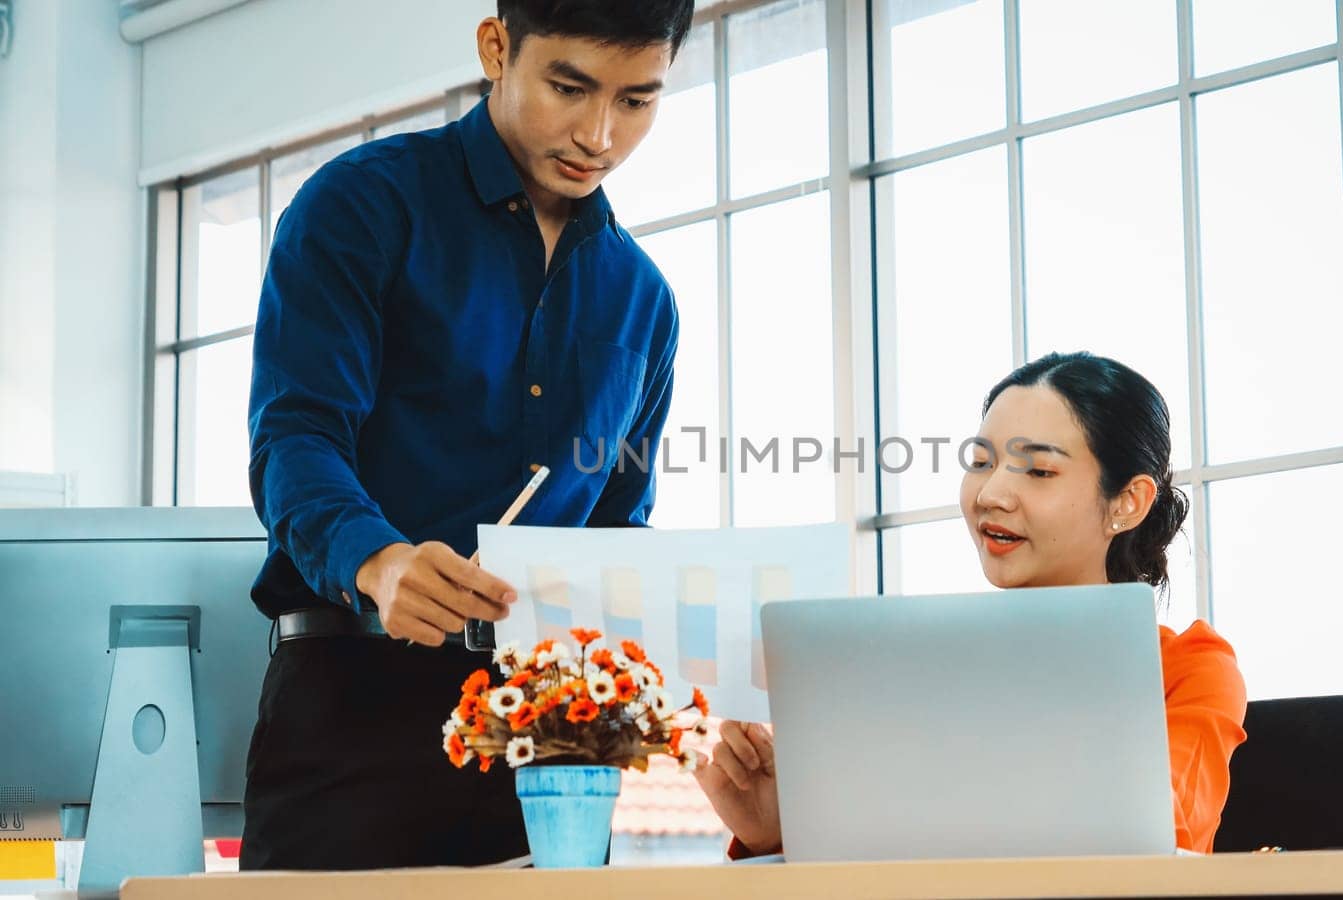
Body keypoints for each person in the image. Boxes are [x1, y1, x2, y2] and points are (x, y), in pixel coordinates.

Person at [242, 0, 693, 870]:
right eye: (570, 86)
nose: (599, 133)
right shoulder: (361, 206)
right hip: (351, 717)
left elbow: (618, 526)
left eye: (637, 101)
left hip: (551, 747)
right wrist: (380, 562)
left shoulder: (645, 302)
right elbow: (295, 437)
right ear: (496, 48)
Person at [696, 351, 1248, 856]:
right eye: (981, 462)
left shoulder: (1190, 669)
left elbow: (1157, 841)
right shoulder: (906, 669)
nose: (990, 494)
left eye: (1039, 470)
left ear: (1127, 502)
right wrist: (778, 833)